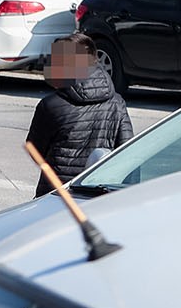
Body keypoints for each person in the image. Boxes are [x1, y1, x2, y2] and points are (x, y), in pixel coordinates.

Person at [25, 32, 132, 197]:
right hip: (97, 193)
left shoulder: (51, 105)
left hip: (56, 193)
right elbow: (126, 152)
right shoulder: (117, 103)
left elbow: (35, 150)